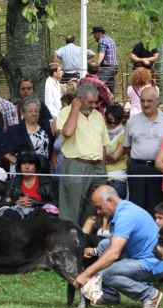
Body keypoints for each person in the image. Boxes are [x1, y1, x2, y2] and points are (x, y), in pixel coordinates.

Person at [73, 185, 163, 308]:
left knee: (104, 274)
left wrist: (86, 274)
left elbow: (114, 254)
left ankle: (150, 295)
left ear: (110, 201)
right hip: (140, 257)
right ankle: (110, 295)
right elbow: (112, 245)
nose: (97, 212)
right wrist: (95, 252)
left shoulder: (126, 216)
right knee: (103, 245)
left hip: (152, 264)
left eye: (99, 207)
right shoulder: (122, 210)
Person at [56, 84, 109, 225]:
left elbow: (103, 145)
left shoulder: (98, 116)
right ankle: (69, 243)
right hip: (76, 165)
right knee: (70, 210)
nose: (94, 105)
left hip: (97, 167)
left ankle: (87, 242)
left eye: (95, 102)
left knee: (94, 210)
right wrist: (75, 109)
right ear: (79, 98)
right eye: (90, 102)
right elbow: (67, 132)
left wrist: (103, 170)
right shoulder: (66, 112)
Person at [124, 87, 163, 215]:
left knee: (157, 205)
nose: (146, 104)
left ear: (158, 101)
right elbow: (126, 147)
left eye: (149, 101)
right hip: (137, 168)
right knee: (136, 204)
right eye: (142, 101)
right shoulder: (132, 122)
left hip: (159, 169)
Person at [0, 151, 59, 219]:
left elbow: (57, 203)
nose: (27, 167)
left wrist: (37, 203)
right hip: (18, 213)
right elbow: (2, 205)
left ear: (36, 167)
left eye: (30, 164)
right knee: (8, 215)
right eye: (24, 163)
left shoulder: (47, 183)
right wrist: (15, 202)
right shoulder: (12, 183)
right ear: (20, 166)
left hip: (39, 213)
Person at [104, 104, 128, 199]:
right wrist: (108, 157)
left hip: (117, 177)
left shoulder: (124, 133)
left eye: (116, 121)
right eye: (110, 121)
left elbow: (115, 157)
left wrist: (101, 155)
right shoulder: (101, 131)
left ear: (121, 120)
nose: (113, 124)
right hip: (101, 175)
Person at [91, 26, 118, 93]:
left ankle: (94, 100)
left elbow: (102, 53)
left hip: (107, 68)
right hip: (114, 67)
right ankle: (111, 101)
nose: (94, 37)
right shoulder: (110, 39)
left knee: (97, 84)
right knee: (110, 86)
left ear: (99, 34)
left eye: (94, 35)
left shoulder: (102, 41)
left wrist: (97, 64)